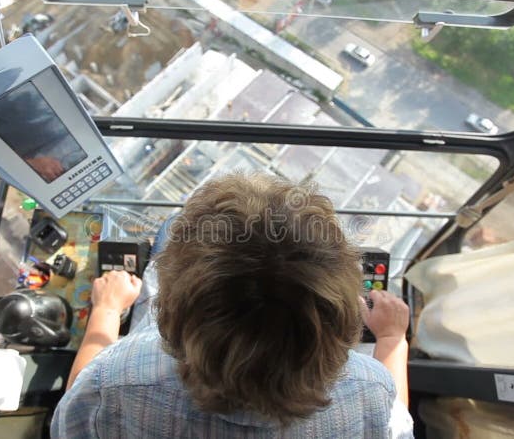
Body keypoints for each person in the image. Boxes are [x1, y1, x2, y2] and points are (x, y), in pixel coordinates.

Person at [52, 173, 413, 438]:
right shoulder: (371, 392)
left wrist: (107, 311)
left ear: (171, 313)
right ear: (339, 324)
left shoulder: (118, 378)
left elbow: (72, 419)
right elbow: (394, 426)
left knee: (174, 226)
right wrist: (393, 339)